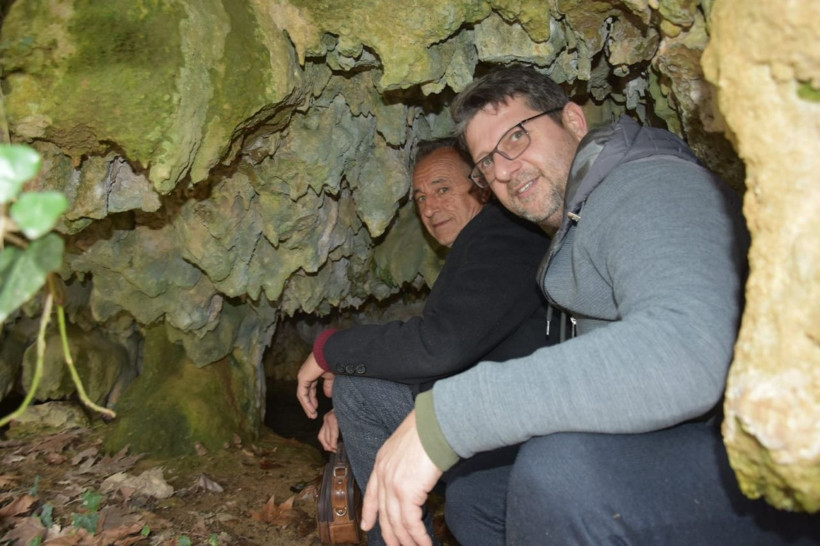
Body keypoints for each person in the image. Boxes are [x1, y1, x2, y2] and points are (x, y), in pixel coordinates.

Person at [361, 65, 820, 546]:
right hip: (695, 442)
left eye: (517, 137)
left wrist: (450, 417)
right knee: (480, 494)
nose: (504, 170)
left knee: (561, 474)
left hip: (782, 460)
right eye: (486, 163)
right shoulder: (572, 230)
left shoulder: (649, 185)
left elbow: (686, 350)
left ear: (574, 122)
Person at [296, 138, 561, 544]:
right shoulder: (487, 245)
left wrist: (330, 351)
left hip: (525, 424)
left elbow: (440, 346)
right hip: (500, 413)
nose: (430, 208)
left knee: (359, 392)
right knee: (361, 395)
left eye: (442, 189)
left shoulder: (504, 236)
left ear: (482, 186)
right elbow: (458, 356)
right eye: (420, 198)